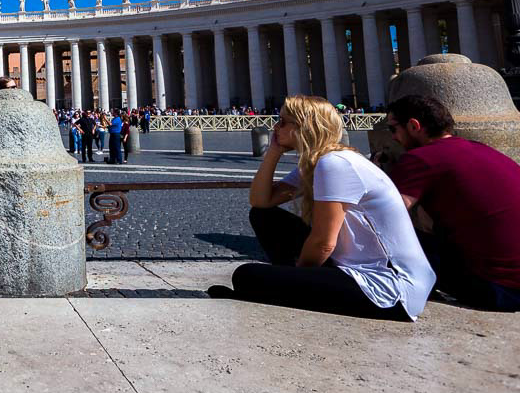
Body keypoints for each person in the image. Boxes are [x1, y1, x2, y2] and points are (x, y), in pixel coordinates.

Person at [209, 95, 435, 320]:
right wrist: (273, 152)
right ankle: (291, 284)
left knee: (245, 276)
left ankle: (289, 285)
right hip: (360, 267)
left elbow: (323, 243)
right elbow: (260, 201)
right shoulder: (320, 161)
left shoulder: (334, 164)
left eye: (283, 121)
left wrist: (295, 277)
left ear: (305, 127)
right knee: (263, 217)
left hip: (389, 285)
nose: (275, 127)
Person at [385, 95, 520, 311]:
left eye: (392, 129)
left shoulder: (420, 158)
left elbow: (386, 217)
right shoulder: (480, 149)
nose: (393, 138)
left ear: (413, 126)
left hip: (497, 289)